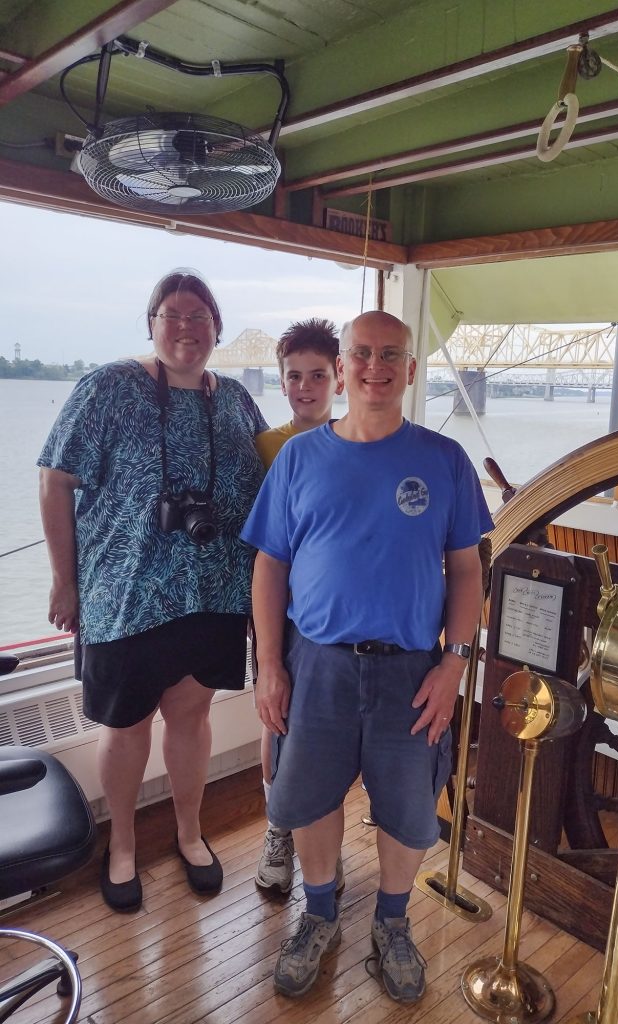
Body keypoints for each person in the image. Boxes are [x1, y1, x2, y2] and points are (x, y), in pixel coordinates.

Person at [241, 310, 494, 1003]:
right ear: (343, 367)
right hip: (316, 661)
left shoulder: (444, 461)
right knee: (310, 796)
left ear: (411, 370)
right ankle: (318, 912)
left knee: (408, 807)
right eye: (362, 354)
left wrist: (456, 662)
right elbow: (269, 566)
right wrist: (270, 665)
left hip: (413, 671)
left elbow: (467, 570)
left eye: (391, 355)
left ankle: (391, 922)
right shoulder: (298, 457)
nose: (375, 367)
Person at [38, 269, 268, 913]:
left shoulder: (237, 401)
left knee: (190, 719)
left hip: (214, 590)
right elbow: (55, 481)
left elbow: (275, 478)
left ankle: (191, 833)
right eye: (172, 314)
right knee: (126, 724)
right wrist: (66, 580)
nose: (186, 328)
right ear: (151, 323)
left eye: (200, 316)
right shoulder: (109, 388)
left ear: (218, 328)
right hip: (126, 592)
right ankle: (123, 847)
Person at [253, 317, 344, 894]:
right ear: (282, 382)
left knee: (324, 733)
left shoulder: (354, 441)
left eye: (317, 375)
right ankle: (277, 829)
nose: (305, 386)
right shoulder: (267, 446)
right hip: (277, 615)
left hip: (328, 620)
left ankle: (319, 842)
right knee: (276, 716)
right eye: (294, 376)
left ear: (338, 377)